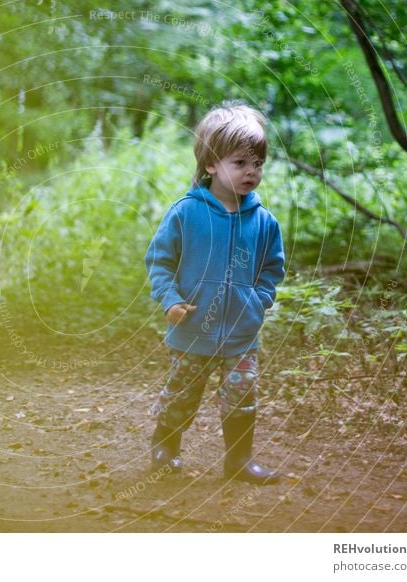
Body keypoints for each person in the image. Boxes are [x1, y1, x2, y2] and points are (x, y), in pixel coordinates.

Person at [144, 102, 285, 485]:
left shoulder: (265, 222)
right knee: (184, 392)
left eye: (257, 164)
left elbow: (272, 269)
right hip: (192, 329)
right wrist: (170, 299)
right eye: (240, 163)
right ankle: (165, 445)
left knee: (242, 393)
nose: (251, 172)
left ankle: (239, 461)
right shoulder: (186, 213)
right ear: (211, 164)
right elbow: (159, 262)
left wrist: (259, 301)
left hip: (241, 332)